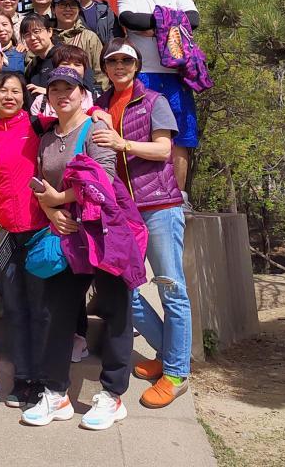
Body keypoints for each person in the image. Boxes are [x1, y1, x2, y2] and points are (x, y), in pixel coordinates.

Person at [22, 66, 137, 431]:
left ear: (83, 93)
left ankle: (112, 394)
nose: (62, 94)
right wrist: (51, 211)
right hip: (68, 233)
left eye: (69, 88)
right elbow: (41, 185)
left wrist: (59, 199)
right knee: (58, 311)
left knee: (115, 308)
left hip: (104, 231)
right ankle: (56, 393)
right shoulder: (47, 138)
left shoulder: (95, 128)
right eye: (54, 89)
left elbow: (103, 180)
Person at [93, 38, 191, 409]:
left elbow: (164, 149)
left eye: (126, 61)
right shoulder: (101, 106)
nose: (119, 67)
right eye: (113, 62)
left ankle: (177, 373)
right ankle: (169, 353)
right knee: (125, 292)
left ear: (136, 66)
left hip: (159, 205)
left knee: (171, 289)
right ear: (105, 68)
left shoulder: (154, 101)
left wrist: (124, 144)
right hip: (122, 212)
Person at [0, 71, 48, 410]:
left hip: (38, 229)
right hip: (4, 233)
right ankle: (23, 377)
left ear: (25, 96)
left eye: (15, 91)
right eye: (2, 90)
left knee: (41, 308)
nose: (9, 96)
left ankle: (44, 378)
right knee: (15, 308)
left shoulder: (38, 127)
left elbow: (76, 113)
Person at [116, 0, 200, 194]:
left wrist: (152, 27)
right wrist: (172, 24)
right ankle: (146, 194)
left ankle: (179, 195)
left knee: (181, 135)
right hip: (143, 74)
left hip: (177, 75)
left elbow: (193, 20)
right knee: (141, 133)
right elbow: (130, 19)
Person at [52, 0, 105, 85]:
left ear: (79, 9)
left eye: (73, 5)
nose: (68, 9)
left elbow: (101, 73)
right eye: (63, 5)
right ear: (53, 9)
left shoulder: (89, 37)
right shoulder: (46, 36)